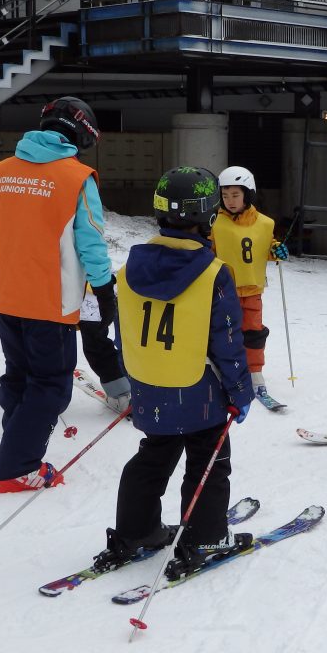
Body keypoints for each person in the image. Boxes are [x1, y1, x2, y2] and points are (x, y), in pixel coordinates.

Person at [94, 166, 255, 578]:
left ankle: (136, 531)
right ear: (208, 215)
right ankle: (204, 538)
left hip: (149, 381)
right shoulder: (213, 273)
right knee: (208, 460)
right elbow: (228, 339)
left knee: (155, 453)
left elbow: (122, 330)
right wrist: (240, 391)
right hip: (198, 386)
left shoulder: (129, 271)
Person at [0, 96, 116, 493]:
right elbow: (91, 242)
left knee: (18, 375)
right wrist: (104, 289)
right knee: (51, 384)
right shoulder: (76, 177)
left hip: (4, 292)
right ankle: (16, 467)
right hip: (50, 300)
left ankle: (18, 444)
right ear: (81, 135)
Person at [210, 166, 289, 407]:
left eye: (235, 195)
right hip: (225, 291)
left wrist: (275, 250)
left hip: (253, 289)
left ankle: (255, 374)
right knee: (224, 332)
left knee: (254, 333)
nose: (230, 201)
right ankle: (221, 370)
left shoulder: (265, 224)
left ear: (248, 194)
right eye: (225, 195)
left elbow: (262, 247)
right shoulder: (215, 224)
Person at [78, 284, 130, 413]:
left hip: (92, 289)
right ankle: (121, 394)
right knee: (96, 342)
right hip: (94, 288)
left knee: (96, 343)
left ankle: (120, 395)